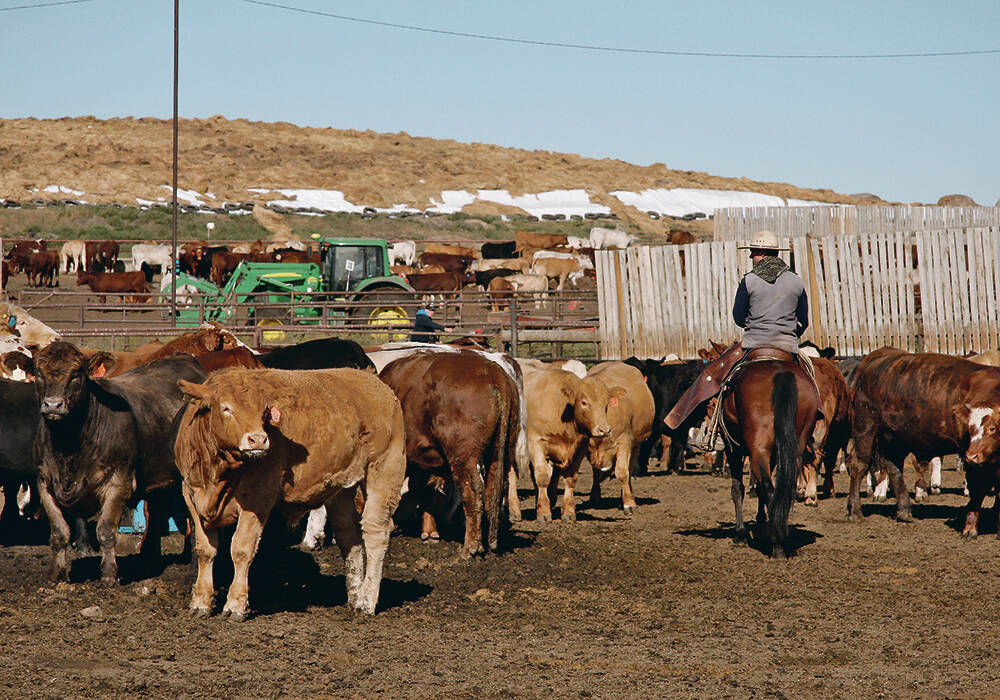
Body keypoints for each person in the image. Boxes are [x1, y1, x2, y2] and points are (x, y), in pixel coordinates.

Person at [664, 230, 808, 431]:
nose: (751, 257)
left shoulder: (749, 280)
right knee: (813, 381)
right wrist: (787, 334)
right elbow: (804, 320)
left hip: (754, 344)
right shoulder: (796, 280)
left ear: (763, 252)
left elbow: (739, 318)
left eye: (753, 252)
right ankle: (817, 421)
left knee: (712, 376)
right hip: (787, 345)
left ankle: (707, 428)